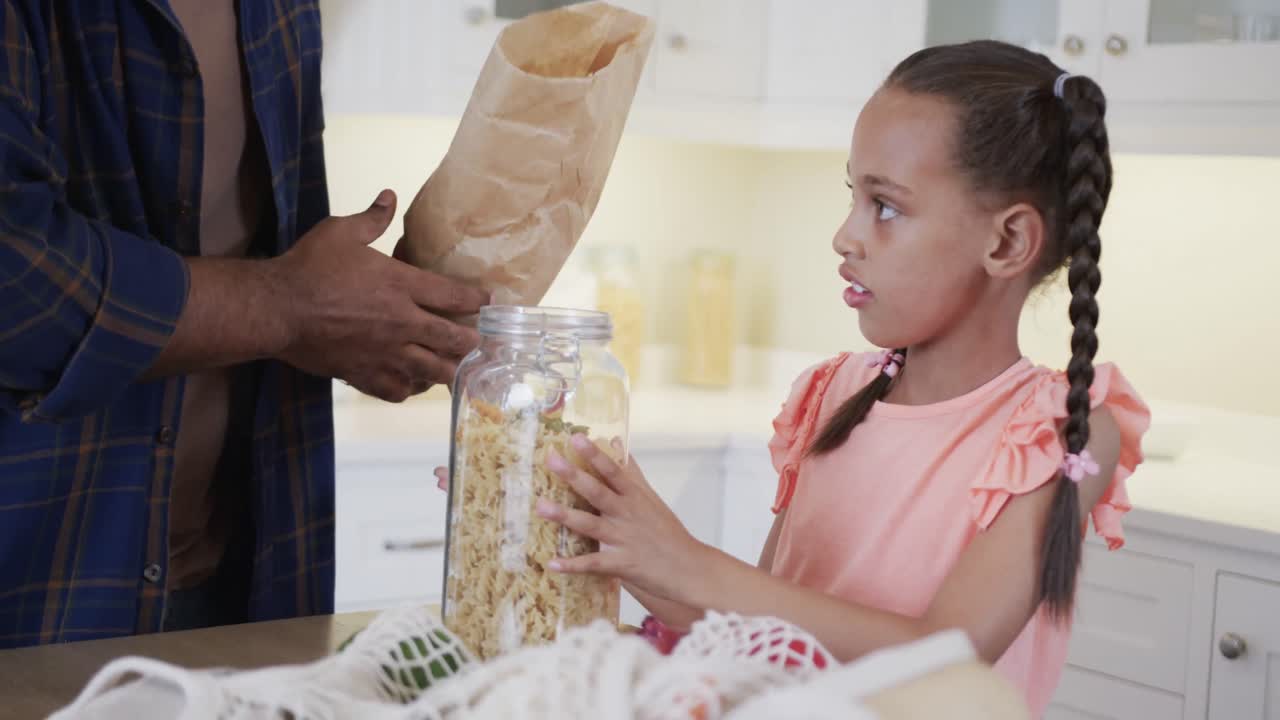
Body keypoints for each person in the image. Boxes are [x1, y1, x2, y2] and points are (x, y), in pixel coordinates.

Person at [502, 41, 1153, 717]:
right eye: (854, 197)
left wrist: (685, 560)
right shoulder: (832, 393)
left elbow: (945, 656)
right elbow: (762, 640)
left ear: (1008, 243)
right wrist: (597, 527)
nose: (847, 236)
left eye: (887, 207)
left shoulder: (1062, 431)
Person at [0, 1, 487, 649]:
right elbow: (20, 286)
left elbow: (275, 261)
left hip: (242, 581)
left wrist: (370, 323)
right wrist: (295, 307)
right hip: (43, 595)